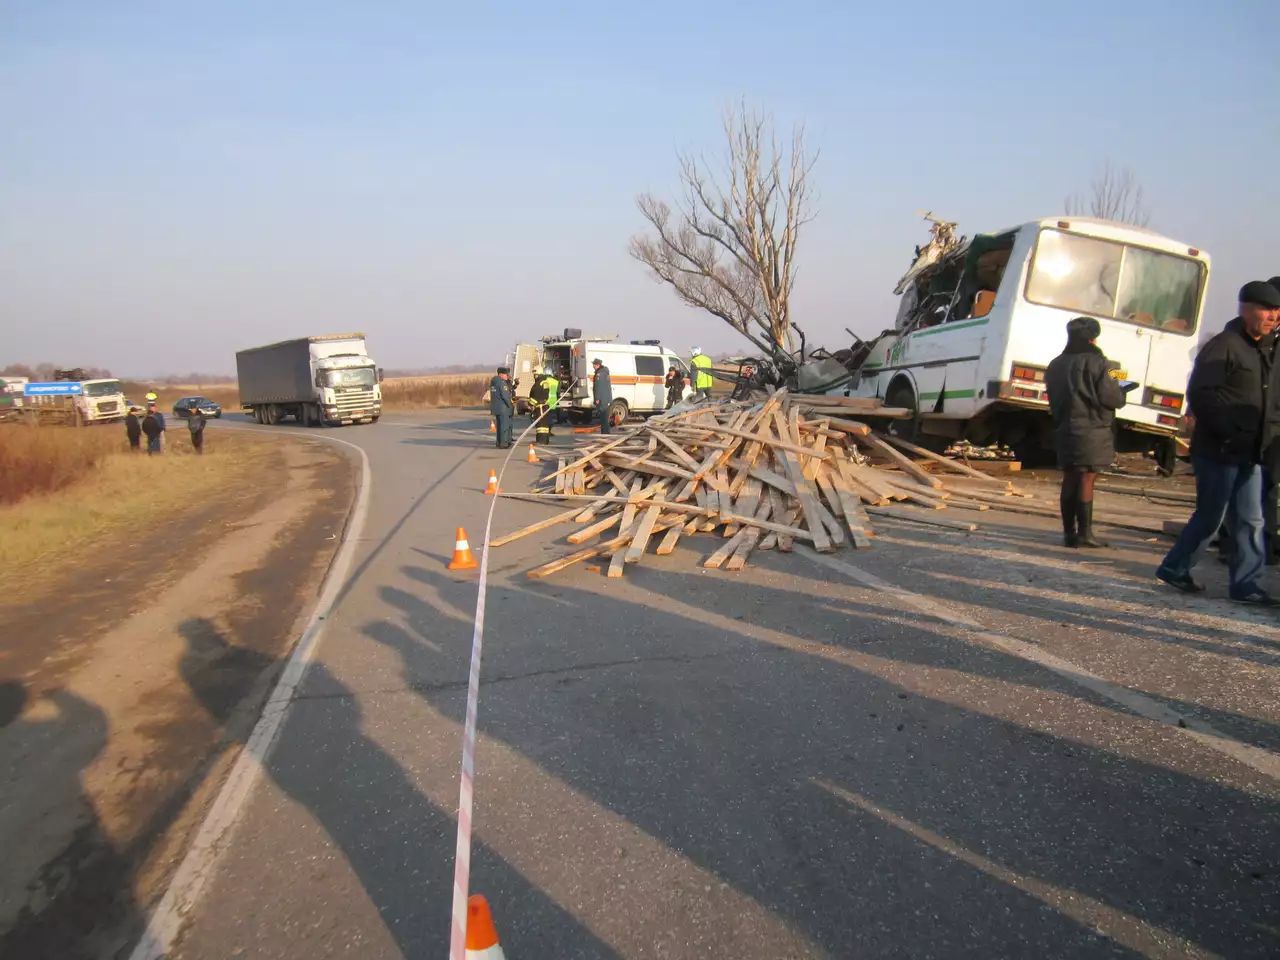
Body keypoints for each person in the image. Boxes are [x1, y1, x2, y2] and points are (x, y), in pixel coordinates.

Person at [1157, 280, 1280, 604]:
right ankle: (1175, 566)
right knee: (1211, 517)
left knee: (1252, 519)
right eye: (1267, 310)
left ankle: (1246, 585)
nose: (1273, 317)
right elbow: (1201, 394)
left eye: (1277, 311)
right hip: (1219, 451)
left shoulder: (1267, 349)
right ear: (1246, 308)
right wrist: (1228, 432)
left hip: (1251, 452)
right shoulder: (1225, 345)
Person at [1044, 317, 1130, 547]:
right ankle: (1086, 534)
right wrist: (1125, 387)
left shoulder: (1055, 364)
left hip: (1065, 427)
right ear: (1094, 338)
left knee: (1070, 477)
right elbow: (1116, 397)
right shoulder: (1107, 365)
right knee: (1086, 477)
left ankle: (1068, 533)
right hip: (1094, 430)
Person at [488, 367, 514, 448]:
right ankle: (504, 443)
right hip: (503, 408)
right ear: (501, 374)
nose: (507, 376)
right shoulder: (502, 383)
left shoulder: (493, 383)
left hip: (496, 407)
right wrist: (510, 405)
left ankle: (499, 442)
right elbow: (505, 396)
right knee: (504, 426)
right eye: (506, 374)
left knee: (499, 426)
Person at [591, 358, 613, 435]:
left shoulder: (600, 374)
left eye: (594, 364)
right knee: (604, 418)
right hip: (605, 399)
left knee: (603, 418)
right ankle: (605, 433)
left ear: (598, 365)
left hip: (602, 399)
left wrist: (597, 399)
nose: (593, 366)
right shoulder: (604, 372)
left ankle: (605, 434)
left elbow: (599, 388)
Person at [529, 373, 551, 444]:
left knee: (541, 425)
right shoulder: (544, 382)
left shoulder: (539, 383)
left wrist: (530, 403)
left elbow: (536, 395)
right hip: (544, 406)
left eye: (535, 375)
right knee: (544, 424)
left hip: (540, 407)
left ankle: (542, 440)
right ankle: (544, 440)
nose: (534, 376)